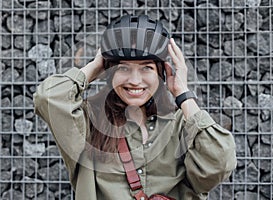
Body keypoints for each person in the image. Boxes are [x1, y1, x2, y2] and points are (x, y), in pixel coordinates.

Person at [33, 14, 237, 200]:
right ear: (110, 72)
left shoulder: (182, 125)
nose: (134, 80)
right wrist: (95, 66)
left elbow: (221, 163)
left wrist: (182, 93)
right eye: (123, 68)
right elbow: (48, 98)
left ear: (162, 72)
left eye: (146, 68)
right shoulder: (89, 122)